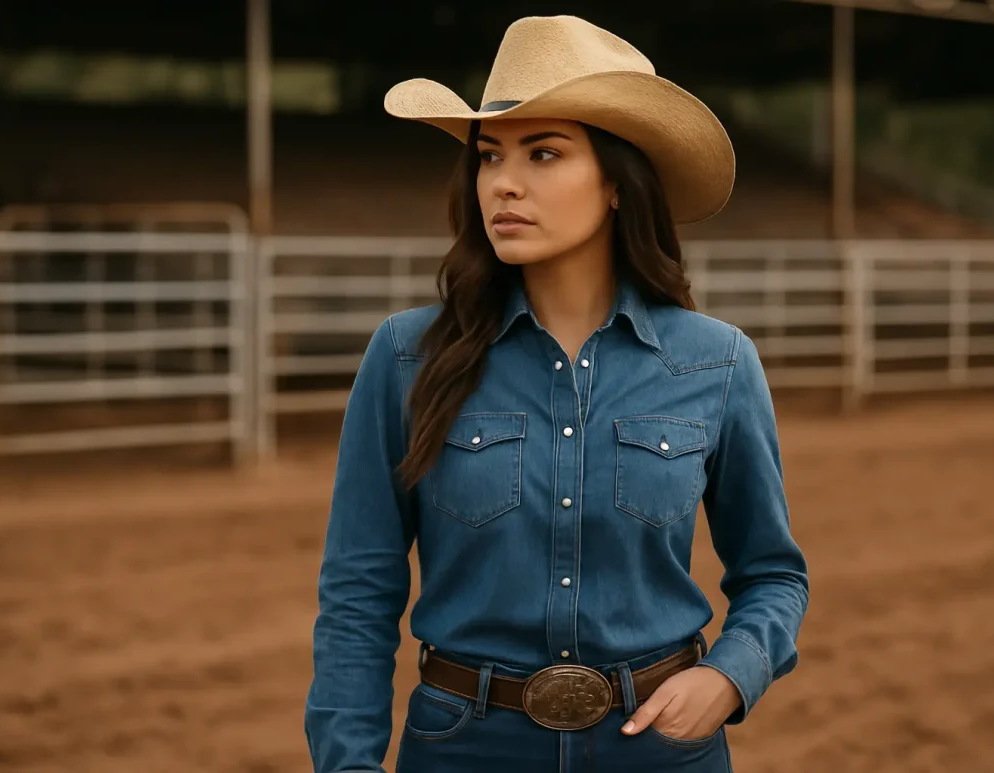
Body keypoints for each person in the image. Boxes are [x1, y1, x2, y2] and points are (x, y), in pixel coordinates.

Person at [304, 15, 809, 773]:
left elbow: (773, 573)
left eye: (544, 153)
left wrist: (729, 674)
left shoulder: (719, 363)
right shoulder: (407, 357)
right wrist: (345, 764)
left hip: (661, 752)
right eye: (489, 156)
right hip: (463, 748)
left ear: (616, 181)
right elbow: (357, 592)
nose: (504, 182)